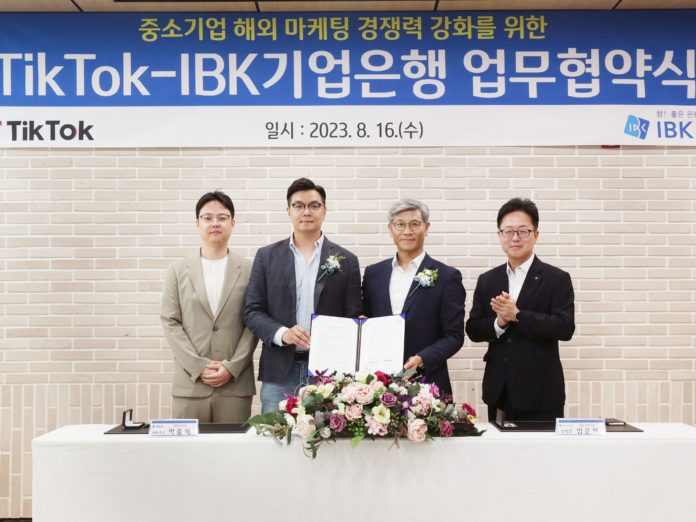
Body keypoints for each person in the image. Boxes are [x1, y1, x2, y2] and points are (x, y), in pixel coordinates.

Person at [244, 178, 362, 413]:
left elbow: (354, 315)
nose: (306, 212)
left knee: (327, 434)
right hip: (279, 371)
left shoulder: (347, 260)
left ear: (324, 210)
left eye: (314, 205)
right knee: (274, 434)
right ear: (288, 211)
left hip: (329, 374)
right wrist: (283, 333)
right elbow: (252, 311)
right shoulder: (266, 257)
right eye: (298, 206)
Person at [466, 197, 575, 422]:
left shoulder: (556, 278)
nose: (515, 238)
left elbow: (565, 328)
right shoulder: (488, 279)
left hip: (541, 392)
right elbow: (473, 329)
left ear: (536, 234)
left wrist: (517, 315)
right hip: (499, 391)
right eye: (508, 231)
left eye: (523, 231)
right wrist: (499, 323)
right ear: (500, 235)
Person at [160, 191, 258, 423]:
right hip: (190, 384)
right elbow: (170, 321)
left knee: (234, 447)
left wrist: (232, 367)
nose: (215, 223)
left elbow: (254, 322)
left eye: (222, 218)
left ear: (233, 223)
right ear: (197, 224)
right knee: (187, 446)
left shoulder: (250, 270)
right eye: (207, 218)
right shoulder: (177, 270)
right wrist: (198, 366)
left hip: (234, 386)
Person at [362, 198, 465, 397]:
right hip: (378, 385)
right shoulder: (373, 274)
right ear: (390, 229)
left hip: (428, 384)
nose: (407, 231)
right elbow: (366, 319)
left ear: (426, 228)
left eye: (415, 224)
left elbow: (454, 336)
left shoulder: (447, 276)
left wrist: (422, 358)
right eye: (400, 224)